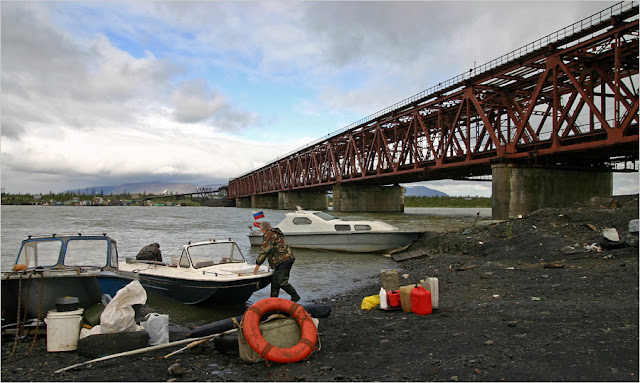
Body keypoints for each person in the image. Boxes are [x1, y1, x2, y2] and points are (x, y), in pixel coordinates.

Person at [253, 221, 300, 302]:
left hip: (284, 260)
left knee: (282, 282)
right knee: (275, 283)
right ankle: (273, 301)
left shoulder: (269, 234)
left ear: (262, 229)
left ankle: (295, 296)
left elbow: (264, 250)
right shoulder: (274, 233)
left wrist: (258, 265)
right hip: (281, 261)